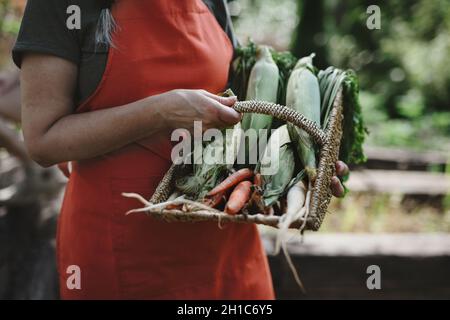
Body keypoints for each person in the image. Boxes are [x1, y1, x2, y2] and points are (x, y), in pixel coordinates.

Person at [13, 0, 349, 299]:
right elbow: (44, 140)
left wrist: (301, 168)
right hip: (125, 244)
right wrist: (161, 112)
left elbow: (235, 116)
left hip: (223, 234)